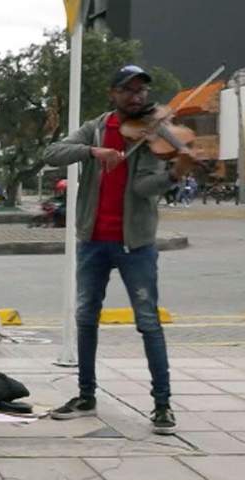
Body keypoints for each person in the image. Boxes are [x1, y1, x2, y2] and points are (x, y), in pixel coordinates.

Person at [43, 65, 196, 435]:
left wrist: (174, 175)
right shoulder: (97, 127)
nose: (138, 97)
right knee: (85, 318)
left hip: (135, 244)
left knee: (148, 322)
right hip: (93, 240)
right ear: (113, 94)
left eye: (142, 90)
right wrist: (93, 151)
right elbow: (52, 152)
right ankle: (86, 394)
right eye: (129, 90)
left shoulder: (155, 132)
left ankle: (162, 404)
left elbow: (144, 189)